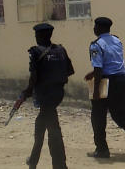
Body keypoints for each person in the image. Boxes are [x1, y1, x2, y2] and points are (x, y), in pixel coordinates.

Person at [84, 16, 125, 158]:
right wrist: (93, 73)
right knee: (120, 115)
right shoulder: (117, 40)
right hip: (121, 80)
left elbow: (98, 68)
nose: (94, 29)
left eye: (95, 26)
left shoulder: (95, 45)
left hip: (106, 82)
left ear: (100, 28)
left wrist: (96, 91)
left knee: (97, 116)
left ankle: (102, 149)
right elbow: (112, 62)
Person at [19, 22, 74, 169]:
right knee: (45, 127)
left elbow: (34, 76)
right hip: (57, 95)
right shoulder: (61, 50)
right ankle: (39, 162)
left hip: (44, 96)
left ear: (41, 35)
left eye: (36, 34)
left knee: (48, 133)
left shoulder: (36, 52)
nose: (35, 37)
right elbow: (69, 71)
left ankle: (53, 164)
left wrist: (27, 91)